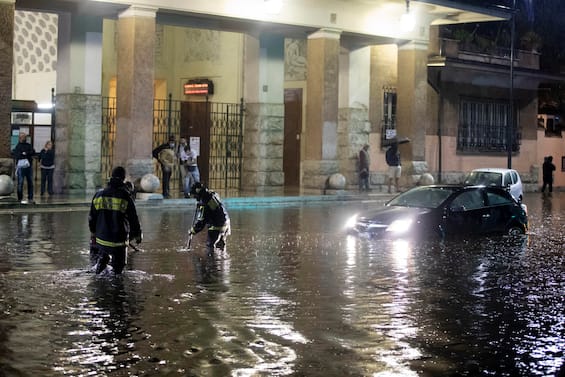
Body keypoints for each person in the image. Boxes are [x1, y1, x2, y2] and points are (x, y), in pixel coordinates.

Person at [88, 166, 142, 274]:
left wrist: (94, 232)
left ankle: (101, 266)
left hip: (101, 239)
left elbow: (91, 217)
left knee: (102, 260)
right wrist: (137, 235)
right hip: (119, 242)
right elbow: (133, 219)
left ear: (111, 176)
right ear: (123, 178)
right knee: (118, 271)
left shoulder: (99, 195)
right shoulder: (126, 196)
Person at [189, 182, 230, 253]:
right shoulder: (212, 194)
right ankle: (222, 261)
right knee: (221, 246)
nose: (195, 198)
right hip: (226, 223)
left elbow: (201, 221)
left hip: (216, 226)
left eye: (194, 196)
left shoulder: (204, 203)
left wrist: (193, 230)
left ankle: (212, 263)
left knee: (210, 247)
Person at [11, 132, 36, 204]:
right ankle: (19, 198)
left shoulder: (29, 145)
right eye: (22, 137)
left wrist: (25, 153)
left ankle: (30, 198)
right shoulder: (17, 146)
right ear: (19, 138)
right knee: (20, 183)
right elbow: (17, 155)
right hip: (21, 167)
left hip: (29, 166)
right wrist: (25, 154)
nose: (23, 138)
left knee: (30, 182)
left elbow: (32, 152)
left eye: (24, 137)